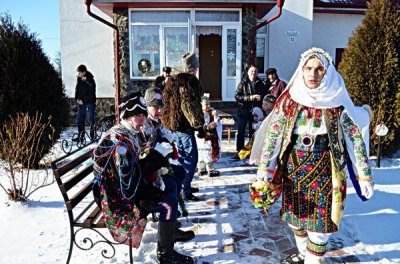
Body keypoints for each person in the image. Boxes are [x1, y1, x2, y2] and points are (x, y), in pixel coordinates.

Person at [252, 48, 374, 264]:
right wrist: (265, 169)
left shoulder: (336, 101)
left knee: (320, 223)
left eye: (319, 69)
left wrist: (363, 174)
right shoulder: (290, 100)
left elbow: (353, 137)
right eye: (308, 68)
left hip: (326, 169)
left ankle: (313, 259)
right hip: (293, 168)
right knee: (294, 220)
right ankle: (303, 250)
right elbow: (274, 134)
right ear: (301, 70)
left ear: (327, 72)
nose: (313, 74)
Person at [92, 92, 194, 264]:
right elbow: (128, 184)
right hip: (116, 199)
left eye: (143, 115)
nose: (142, 120)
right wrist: (156, 156)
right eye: (137, 115)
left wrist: (156, 159)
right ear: (127, 115)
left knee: (171, 183)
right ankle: (165, 254)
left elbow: (136, 167)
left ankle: (170, 234)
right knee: (168, 203)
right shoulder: (118, 141)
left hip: (124, 188)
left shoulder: (130, 132)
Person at [161, 52, 205, 202]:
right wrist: (199, 125)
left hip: (174, 125)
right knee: (191, 159)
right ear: (193, 68)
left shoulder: (173, 80)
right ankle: (184, 190)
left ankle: (185, 186)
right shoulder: (188, 81)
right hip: (184, 127)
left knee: (182, 158)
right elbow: (189, 106)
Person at [234, 66, 267, 155]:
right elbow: (237, 97)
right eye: (252, 71)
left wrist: (261, 97)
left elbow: (266, 97)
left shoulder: (261, 84)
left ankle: (252, 151)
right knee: (241, 132)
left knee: (254, 133)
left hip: (255, 112)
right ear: (248, 73)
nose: (254, 73)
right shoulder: (243, 83)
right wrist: (250, 98)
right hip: (243, 111)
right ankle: (240, 151)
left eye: (255, 71)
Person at [196, 94, 222, 177]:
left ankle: (207, 169)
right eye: (206, 104)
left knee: (207, 153)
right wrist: (214, 123)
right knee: (203, 154)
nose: (208, 106)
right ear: (201, 104)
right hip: (203, 137)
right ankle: (204, 169)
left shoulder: (209, 113)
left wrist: (216, 117)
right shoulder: (200, 114)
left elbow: (216, 123)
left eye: (209, 104)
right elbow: (205, 126)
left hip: (207, 138)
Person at [74, 64, 96, 141]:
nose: (78, 74)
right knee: (79, 119)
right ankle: (81, 137)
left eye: (79, 72)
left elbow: (91, 94)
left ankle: (93, 136)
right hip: (80, 104)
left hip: (89, 104)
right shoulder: (80, 79)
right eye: (78, 72)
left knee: (90, 120)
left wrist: (83, 101)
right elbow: (78, 90)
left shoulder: (90, 80)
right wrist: (77, 99)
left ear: (84, 72)